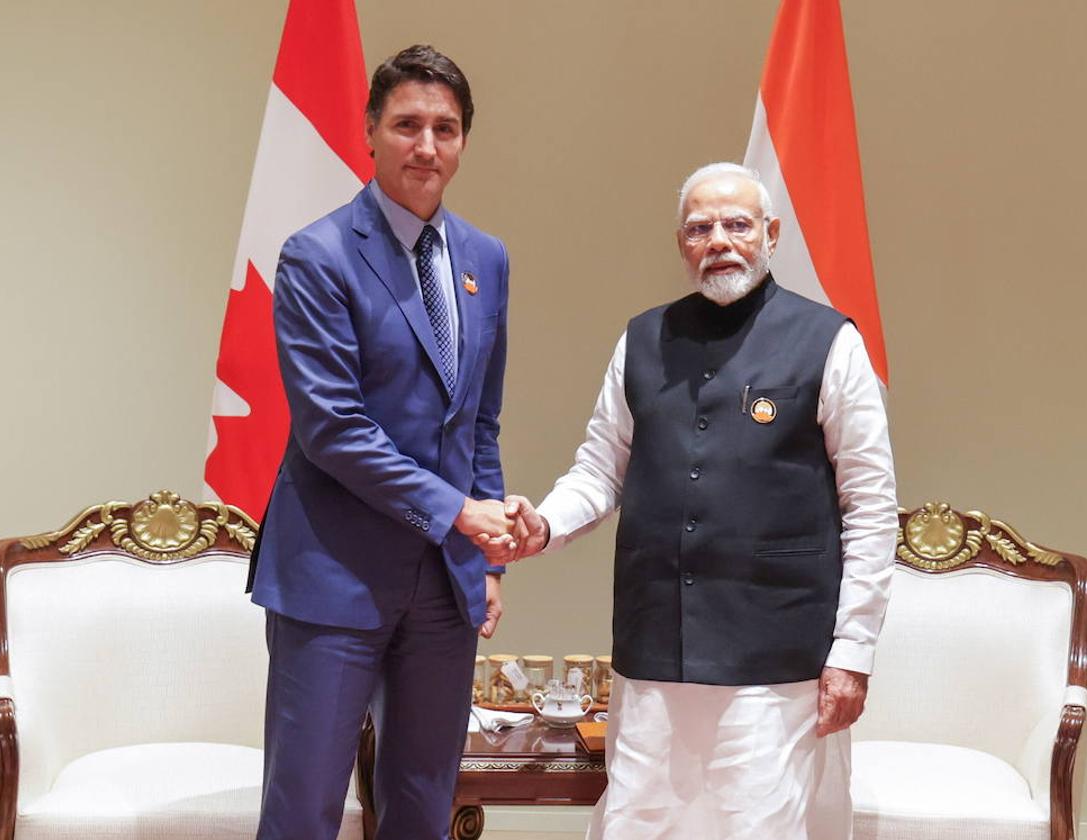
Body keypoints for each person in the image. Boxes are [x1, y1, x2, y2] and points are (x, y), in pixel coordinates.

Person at [484, 162, 898, 839]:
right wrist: (544, 526)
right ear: (682, 244)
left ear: (771, 233)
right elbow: (598, 469)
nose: (720, 241)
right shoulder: (643, 339)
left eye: (737, 225)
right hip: (655, 650)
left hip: (776, 660)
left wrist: (852, 651)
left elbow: (872, 507)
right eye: (700, 228)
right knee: (641, 823)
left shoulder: (829, 342)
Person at [247, 45, 516, 840]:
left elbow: (479, 422)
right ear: (370, 131)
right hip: (333, 578)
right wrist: (459, 513)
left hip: (445, 587)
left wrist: (489, 557)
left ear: (464, 140)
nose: (426, 146)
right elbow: (332, 427)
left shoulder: (486, 259)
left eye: (446, 127)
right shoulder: (316, 255)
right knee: (304, 810)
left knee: (423, 806)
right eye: (407, 125)